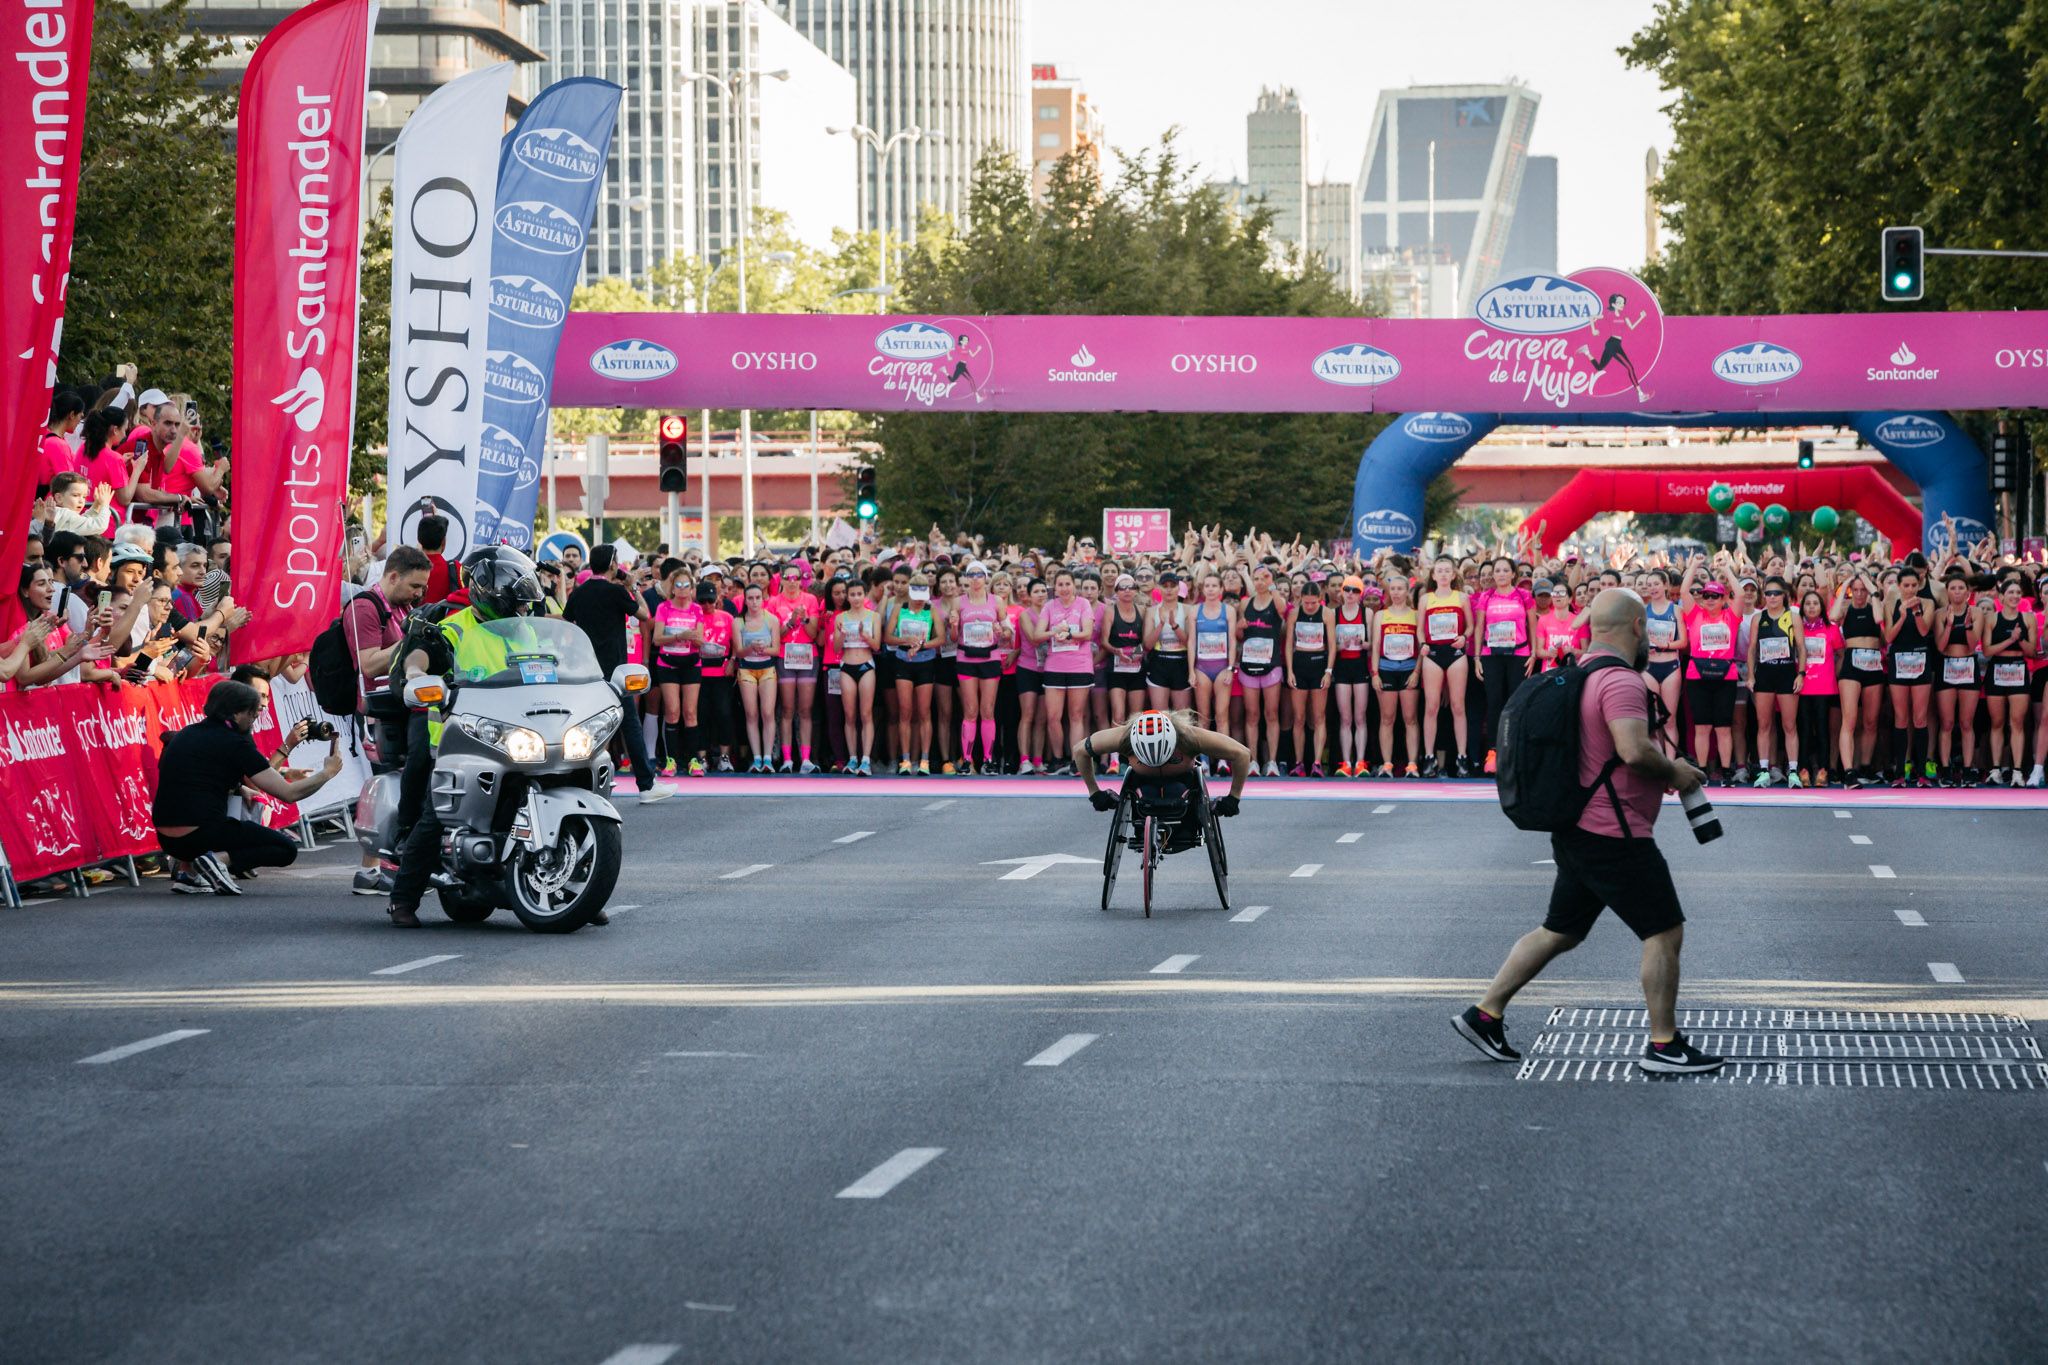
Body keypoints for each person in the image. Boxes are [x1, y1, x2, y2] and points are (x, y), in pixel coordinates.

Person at [1454, 589, 1722, 1075]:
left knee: (1561, 930)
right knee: (1663, 930)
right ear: (1639, 626)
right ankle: (1665, 1047)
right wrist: (1675, 773)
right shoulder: (1620, 680)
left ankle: (1484, 1014)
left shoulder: (1580, 674)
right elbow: (1633, 749)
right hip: (1612, 832)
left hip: (1578, 826)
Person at [152, 680, 344, 895]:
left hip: (166, 839)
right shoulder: (234, 743)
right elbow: (288, 794)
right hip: (201, 835)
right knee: (285, 849)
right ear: (236, 713)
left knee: (218, 817)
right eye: (252, 713)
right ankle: (212, 862)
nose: (255, 718)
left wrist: (239, 787)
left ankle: (189, 874)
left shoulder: (186, 734)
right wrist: (327, 773)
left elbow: (197, 776)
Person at [562, 544, 670, 804]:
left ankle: (581, 785)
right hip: (614, 672)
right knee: (629, 725)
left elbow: (568, 622)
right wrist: (632, 587)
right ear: (612, 564)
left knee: (587, 727)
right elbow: (644, 614)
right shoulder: (615, 592)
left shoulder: (580, 592)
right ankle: (646, 784)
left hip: (586, 669)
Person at [1072, 709, 1248, 853]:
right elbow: (1079, 750)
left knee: (1180, 792)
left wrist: (1234, 797)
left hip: (1184, 783)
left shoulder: (1190, 737)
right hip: (1142, 782)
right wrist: (1094, 793)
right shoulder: (1123, 737)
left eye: (1170, 758)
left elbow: (1242, 754)